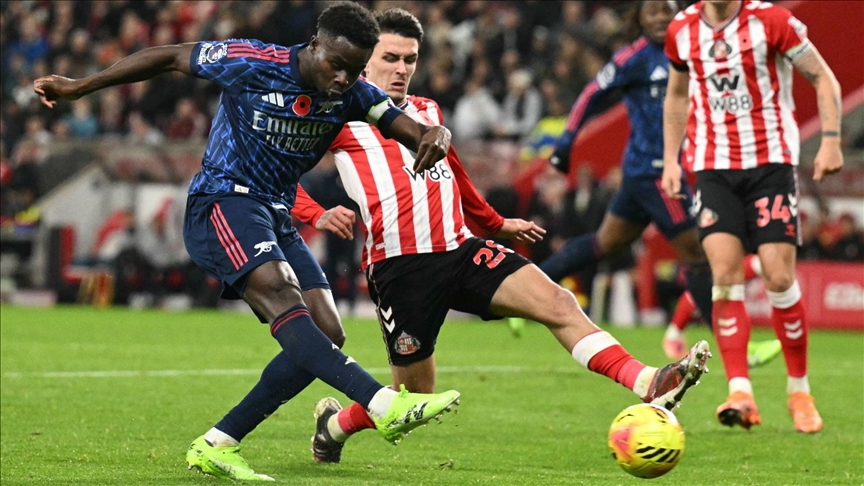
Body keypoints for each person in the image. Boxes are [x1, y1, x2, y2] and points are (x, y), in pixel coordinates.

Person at [34, 3, 463, 481]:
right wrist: (80, 87)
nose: (343, 79)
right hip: (223, 200)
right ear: (314, 45)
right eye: (336, 65)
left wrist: (436, 134)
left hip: (274, 213)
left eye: (355, 69)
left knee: (327, 331)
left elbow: (409, 128)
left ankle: (218, 443)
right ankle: (381, 402)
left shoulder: (355, 93)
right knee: (281, 294)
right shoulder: (254, 61)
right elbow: (170, 56)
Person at [290, 8, 711, 465]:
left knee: (559, 303)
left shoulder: (426, 110)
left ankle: (648, 381)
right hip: (400, 267)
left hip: (460, 248)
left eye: (410, 59)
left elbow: (454, 171)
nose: (402, 69)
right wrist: (316, 213)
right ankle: (334, 426)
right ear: (366, 60)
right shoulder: (338, 115)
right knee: (414, 396)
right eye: (390, 58)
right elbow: (280, 171)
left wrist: (494, 222)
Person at [538, 0, 779, 364]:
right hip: (656, 173)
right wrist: (566, 142)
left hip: (650, 172)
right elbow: (591, 93)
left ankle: (521, 289)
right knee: (699, 255)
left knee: (605, 243)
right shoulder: (633, 58)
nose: (660, 18)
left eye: (666, 10)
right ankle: (739, 348)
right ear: (639, 18)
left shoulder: (696, 49)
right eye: (652, 12)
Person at [661, 0, 843, 433]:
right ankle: (740, 391)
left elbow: (823, 76)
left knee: (778, 276)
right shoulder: (681, 30)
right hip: (713, 169)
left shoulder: (773, 22)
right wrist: (670, 159)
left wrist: (832, 139)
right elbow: (677, 95)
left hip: (770, 166)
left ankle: (799, 391)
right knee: (725, 273)